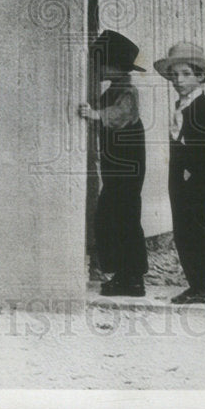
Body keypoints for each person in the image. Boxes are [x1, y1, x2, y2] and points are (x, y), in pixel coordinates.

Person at [154, 41, 205, 305]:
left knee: (188, 229)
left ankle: (201, 286)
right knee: (196, 226)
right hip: (185, 175)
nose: (178, 80)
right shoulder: (185, 105)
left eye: (185, 74)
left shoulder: (202, 110)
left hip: (192, 177)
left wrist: (191, 173)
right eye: (174, 75)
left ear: (200, 76)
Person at [78, 30, 148, 297]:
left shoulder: (128, 92)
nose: (98, 68)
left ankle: (133, 277)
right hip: (115, 167)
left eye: (101, 62)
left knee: (126, 217)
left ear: (113, 66)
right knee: (110, 216)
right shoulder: (112, 90)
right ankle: (122, 273)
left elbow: (119, 116)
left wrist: (94, 114)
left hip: (128, 168)